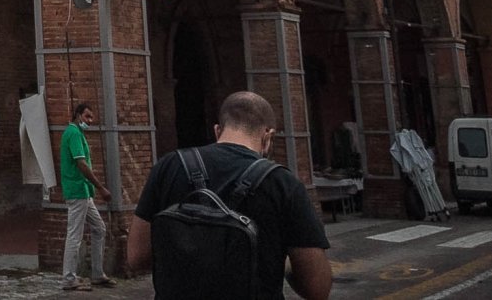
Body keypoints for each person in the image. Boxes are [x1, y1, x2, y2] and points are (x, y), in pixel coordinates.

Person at [126, 91, 333, 300]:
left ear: (217, 130)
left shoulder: (168, 167)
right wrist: (284, 263)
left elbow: (137, 257)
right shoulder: (283, 184)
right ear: (268, 136)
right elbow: (317, 288)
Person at [59, 101, 115, 291]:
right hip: (77, 190)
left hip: (83, 191)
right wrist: (101, 188)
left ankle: (98, 274)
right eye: (87, 116)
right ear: (78, 115)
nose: (89, 121)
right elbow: (82, 164)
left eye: (91, 117)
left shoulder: (76, 133)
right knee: (74, 235)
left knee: (99, 228)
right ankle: (68, 279)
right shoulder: (74, 133)